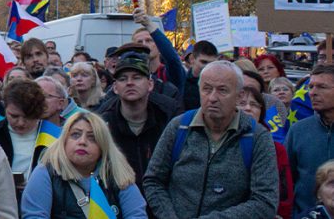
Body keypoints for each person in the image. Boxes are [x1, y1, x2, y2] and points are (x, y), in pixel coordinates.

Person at [142, 60, 278, 219]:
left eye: (222, 90)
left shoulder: (257, 137)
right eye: (206, 89)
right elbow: (153, 180)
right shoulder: (179, 127)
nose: (213, 97)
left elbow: (265, 202)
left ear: (239, 95)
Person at [20, 111, 147, 219]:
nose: (82, 142)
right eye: (75, 135)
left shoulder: (117, 173)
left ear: (103, 146)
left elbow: (136, 215)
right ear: (64, 140)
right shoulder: (45, 173)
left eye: (92, 138)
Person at [96, 51, 178, 188]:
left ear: (150, 84)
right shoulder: (103, 121)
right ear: (115, 88)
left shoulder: (169, 115)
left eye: (137, 77)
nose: (129, 83)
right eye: (122, 79)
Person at [240, 86, 293, 219]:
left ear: (261, 112)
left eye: (254, 105)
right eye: (241, 103)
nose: (248, 108)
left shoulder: (276, 149)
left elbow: (285, 193)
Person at [288, 64, 334, 215]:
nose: (312, 93)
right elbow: (286, 178)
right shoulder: (298, 130)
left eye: (321, 87)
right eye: (311, 87)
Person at [0, 79, 50, 180]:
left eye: (28, 117)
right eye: (14, 116)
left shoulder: (54, 136)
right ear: (5, 108)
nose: (21, 123)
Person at [182, 40, 218, 111]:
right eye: (204, 62)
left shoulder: (220, 85)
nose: (208, 67)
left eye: (212, 63)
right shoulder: (181, 83)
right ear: (192, 59)